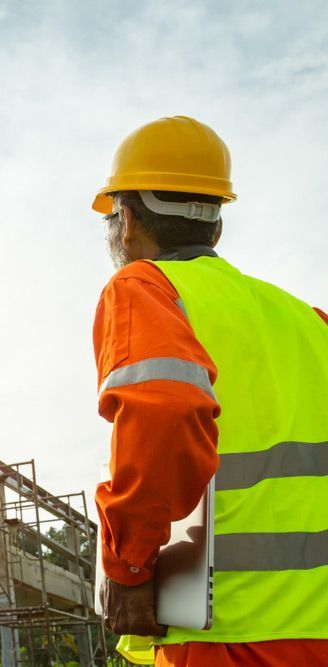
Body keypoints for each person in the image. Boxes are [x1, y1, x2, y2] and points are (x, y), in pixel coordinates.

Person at [91, 116, 328, 666]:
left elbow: (166, 413)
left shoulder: (144, 289)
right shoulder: (310, 322)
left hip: (229, 636)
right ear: (216, 228)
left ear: (125, 221)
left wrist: (129, 566)